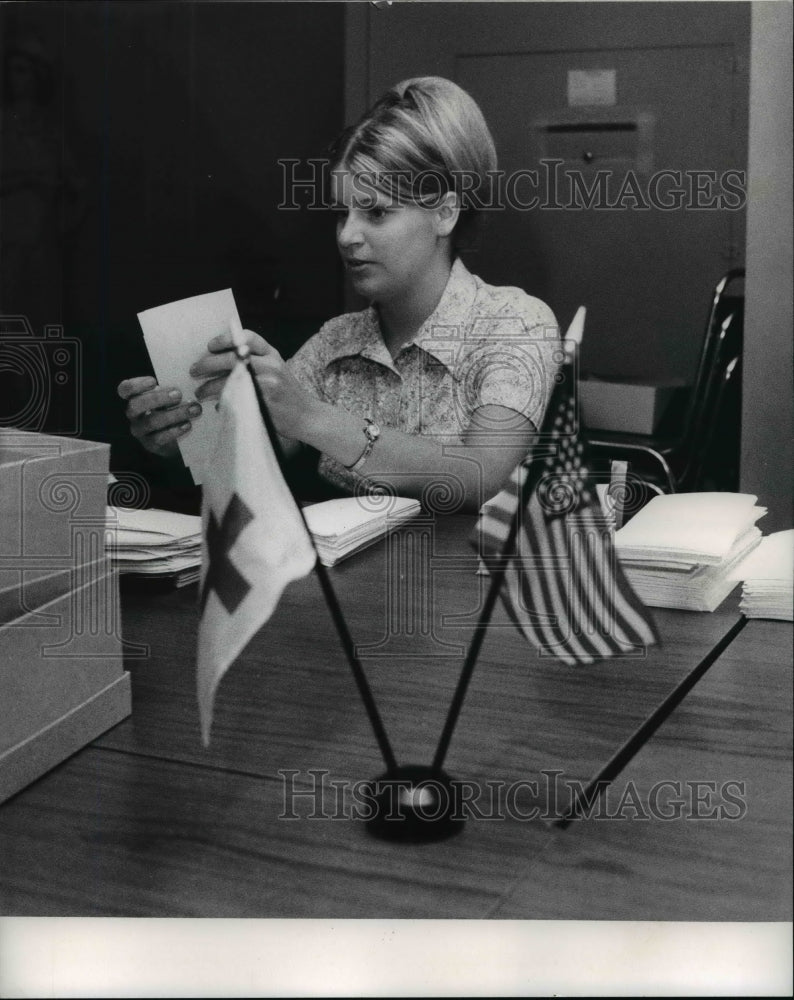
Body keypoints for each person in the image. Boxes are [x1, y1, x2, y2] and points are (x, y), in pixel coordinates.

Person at [118, 77, 560, 512]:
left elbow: (477, 475)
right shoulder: (336, 342)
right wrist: (180, 440)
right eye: (341, 213)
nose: (348, 235)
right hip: (353, 583)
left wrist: (310, 416)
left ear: (444, 213)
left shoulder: (515, 322)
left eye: (377, 212)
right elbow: (240, 473)